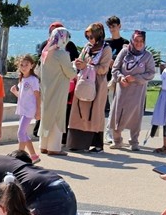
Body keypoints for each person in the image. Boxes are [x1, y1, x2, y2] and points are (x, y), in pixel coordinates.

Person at [67, 23, 113, 153]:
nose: (90, 40)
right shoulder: (87, 48)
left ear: (99, 35)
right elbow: (81, 60)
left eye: (92, 37)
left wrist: (86, 66)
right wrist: (78, 64)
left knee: (95, 113)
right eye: (87, 37)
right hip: (83, 83)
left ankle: (97, 144)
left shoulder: (106, 49)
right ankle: (77, 143)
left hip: (98, 85)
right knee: (79, 111)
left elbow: (104, 69)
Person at [108, 30, 156, 151]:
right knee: (118, 114)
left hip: (138, 92)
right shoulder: (124, 52)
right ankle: (117, 140)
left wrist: (136, 78)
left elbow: (151, 73)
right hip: (122, 90)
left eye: (141, 41)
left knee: (136, 116)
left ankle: (134, 141)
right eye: (136, 40)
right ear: (132, 41)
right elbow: (115, 68)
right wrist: (120, 77)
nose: (139, 43)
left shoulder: (147, 56)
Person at [38, 27, 77, 156]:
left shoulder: (45, 53)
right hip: (59, 89)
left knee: (46, 116)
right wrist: (75, 66)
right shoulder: (62, 54)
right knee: (57, 117)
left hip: (46, 89)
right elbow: (70, 73)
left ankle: (43, 145)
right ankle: (54, 147)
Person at [10, 53, 41, 161]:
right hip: (23, 109)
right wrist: (15, 92)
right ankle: (33, 156)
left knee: (20, 132)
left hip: (29, 110)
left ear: (31, 65)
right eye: (22, 65)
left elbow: (37, 96)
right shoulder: (22, 79)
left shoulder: (33, 80)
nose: (23, 67)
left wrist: (38, 111)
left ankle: (19, 157)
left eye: (26, 65)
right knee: (23, 133)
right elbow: (23, 96)